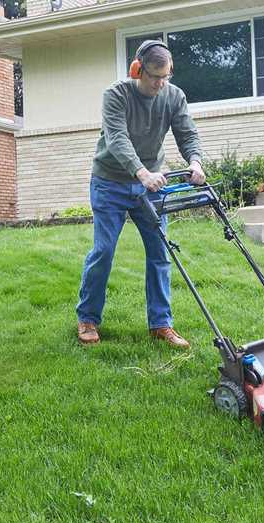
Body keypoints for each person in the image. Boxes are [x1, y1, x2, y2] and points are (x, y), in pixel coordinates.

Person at [76, 40, 205, 348]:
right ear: (137, 70)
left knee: (160, 252)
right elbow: (117, 137)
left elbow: (187, 132)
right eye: (154, 77)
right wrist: (142, 172)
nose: (160, 84)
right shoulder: (116, 94)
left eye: (165, 77)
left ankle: (161, 324)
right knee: (104, 251)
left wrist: (195, 161)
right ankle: (88, 318)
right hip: (110, 182)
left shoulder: (174, 96)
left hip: (150, 185)